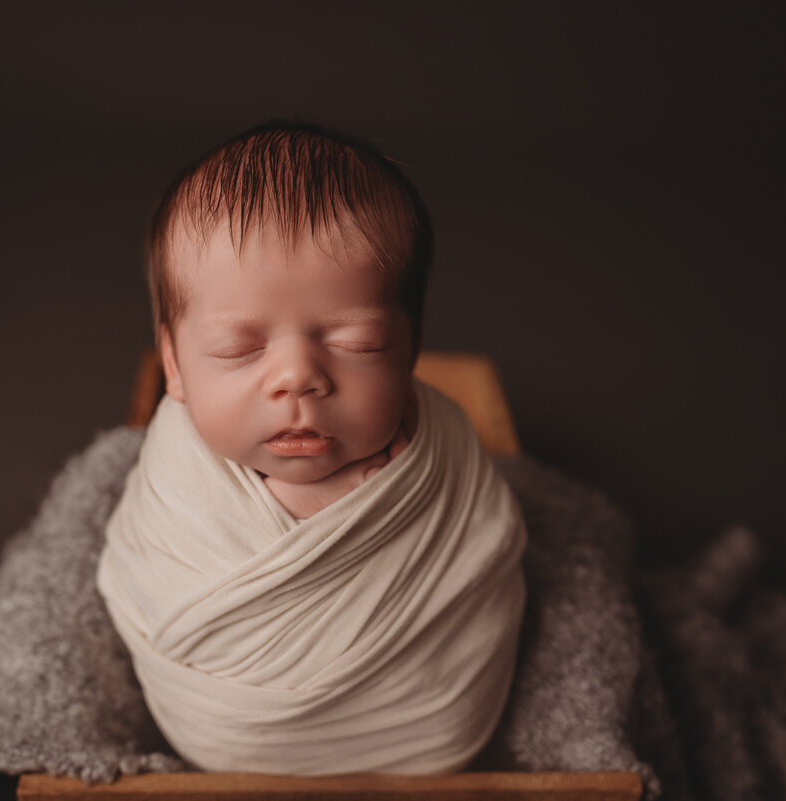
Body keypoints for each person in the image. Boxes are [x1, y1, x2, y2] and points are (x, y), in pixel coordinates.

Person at [96, 121, 527, 775]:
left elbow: (484, 568)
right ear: (175, 365)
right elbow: (146, 577)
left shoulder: (445, 453)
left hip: (431, 731)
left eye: (356, 343)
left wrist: (370, 514)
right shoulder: (174, 469)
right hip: (215, 729)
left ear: (411, 350)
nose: (298, 376)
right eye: (239, 348)